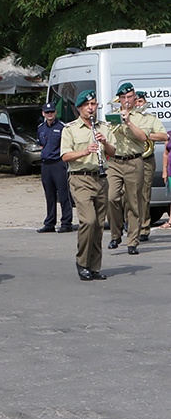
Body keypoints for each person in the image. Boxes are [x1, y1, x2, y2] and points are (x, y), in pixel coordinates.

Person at [61, 90, 116, 280]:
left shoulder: (103, 127)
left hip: (100, 178)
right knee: (88, 221)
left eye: (93, 104)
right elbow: (65, 155)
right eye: (87, 105)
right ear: (79, 108)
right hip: (80, 178)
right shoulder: (70, 129)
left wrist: (105, 142)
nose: (91, 108)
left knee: (99, 224)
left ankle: (95, 266)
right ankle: (82, 261)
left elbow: (113, 152)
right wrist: (85, 151)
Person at [106, 83, 148, 255]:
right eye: (123, 98)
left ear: (134, 98)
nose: (126, 101)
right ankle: (116, 234)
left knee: (133, 202)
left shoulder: (141, 117)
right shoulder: (112, 116)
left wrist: (129, 122)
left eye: (129, 97)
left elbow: (143, 137)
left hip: (134, 161)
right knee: (111, 198)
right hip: (115, 162)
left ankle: (132, 241)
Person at [133, 91, 168, 241]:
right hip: (130, 160)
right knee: (129, 195)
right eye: (136, 101)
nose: (138, 104)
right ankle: (133, 224)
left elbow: (164, 136)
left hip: (146, 159)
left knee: (144, 195)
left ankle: (144, 228)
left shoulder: (151, 119)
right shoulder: (129, 118)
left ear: (145, 103)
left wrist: (146, 135)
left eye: (141, 101)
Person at [36, 102, 74, 233]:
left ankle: (66, 222)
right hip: (46, 164)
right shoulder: (41, 128)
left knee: (64, 194)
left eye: (52, 112)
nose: (49, 114)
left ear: (55, 112)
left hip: (59, 163)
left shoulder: (63, 127)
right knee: (49, 195)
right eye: (47, 112)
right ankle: (50, 222)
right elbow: (41, 144)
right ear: (43, 113)